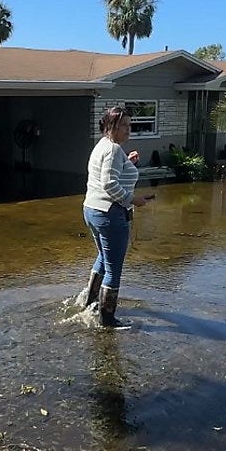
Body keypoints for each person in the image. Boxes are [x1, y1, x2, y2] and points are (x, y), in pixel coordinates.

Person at [79, 105, 147, 329]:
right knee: (114, 268)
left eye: (130, 125)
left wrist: (128, 162)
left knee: (103, 257)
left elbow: (107, 175)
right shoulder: (113, 150)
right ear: (110, 126)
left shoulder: (104, 146)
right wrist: (133, 199)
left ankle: (89, 301)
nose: (128, 130)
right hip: (109, 214)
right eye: (123, 125)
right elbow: (109, 184)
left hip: (92, 210)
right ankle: (107, 320)